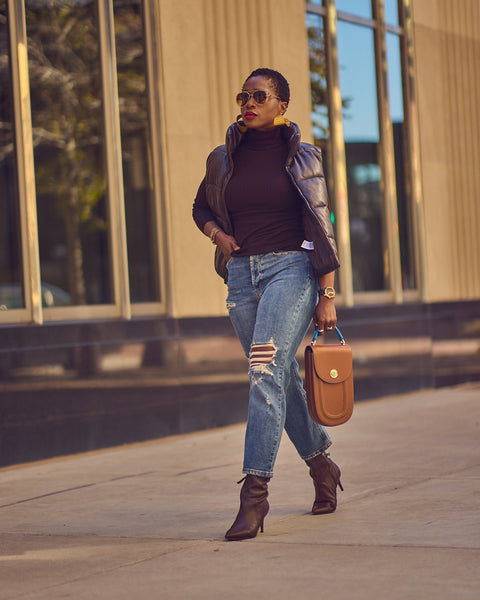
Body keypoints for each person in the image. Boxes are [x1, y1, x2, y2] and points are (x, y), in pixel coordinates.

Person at [192, 68, 343, 541]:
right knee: (278, 377)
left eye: (260, 96)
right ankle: (323, 466)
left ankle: (254, 496)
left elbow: (322, 224)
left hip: (290, 272)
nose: (248, 103)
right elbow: (200, 208)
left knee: (262, 373)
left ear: (282, 105)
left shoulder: (302, 157)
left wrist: (327, 292)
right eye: (244, 96)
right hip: (241, 276)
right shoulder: (223, 157)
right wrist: (220, 236)